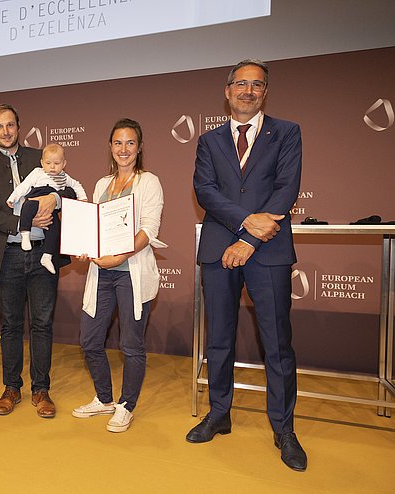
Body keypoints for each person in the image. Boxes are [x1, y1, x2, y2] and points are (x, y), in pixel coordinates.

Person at [188, 59, 306, 471]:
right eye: (241, 83)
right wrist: (242, 224)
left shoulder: (287, 132)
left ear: (265, 92)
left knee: (277, 344)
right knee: (218, 339)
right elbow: (205, 190)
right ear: (227, 90)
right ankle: (219, 414)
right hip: (220, 248)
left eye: (257, 84)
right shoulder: (208, 140)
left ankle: (284, 429)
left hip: (268, 251)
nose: (248, 90)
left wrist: (251, 239)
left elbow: (286, 188)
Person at [0, 104, 66, 418]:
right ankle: (11, 387)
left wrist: (54, 199)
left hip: (43, 255)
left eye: (10, 125)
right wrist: (18, 223)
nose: (6, 131)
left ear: (18, 126)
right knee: (10, 326)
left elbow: (68, 191)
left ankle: (41, 389)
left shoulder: (41, 157)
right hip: (8, 254)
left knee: (42, 324)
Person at [71, 118, 164, 433]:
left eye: (130, 143)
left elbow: (148, 229)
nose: (123, 149)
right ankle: (104, 398)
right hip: (101, 273)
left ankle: (126, 405)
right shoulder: (101, 184)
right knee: (90, 340)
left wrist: (118, 258)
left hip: (130, 274)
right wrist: (86, 248)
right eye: (117, 143)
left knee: (131, 344)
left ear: (139, 148)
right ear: (110, 147)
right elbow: (96, 229)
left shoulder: (149, 182)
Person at [6, 143, 87, 274]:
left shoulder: (65, 177)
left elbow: (76, 186)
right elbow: (24, 186)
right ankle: (25, 234)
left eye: (57, 163)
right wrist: (12, 198)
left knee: (54, 229)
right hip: (35, 198)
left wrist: (83, 199)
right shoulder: (37, 172)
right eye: (48, 163)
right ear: (42, 163)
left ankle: (47, 256)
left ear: (64, 164)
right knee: (27, 207)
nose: (52, 167)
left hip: (51, 209)